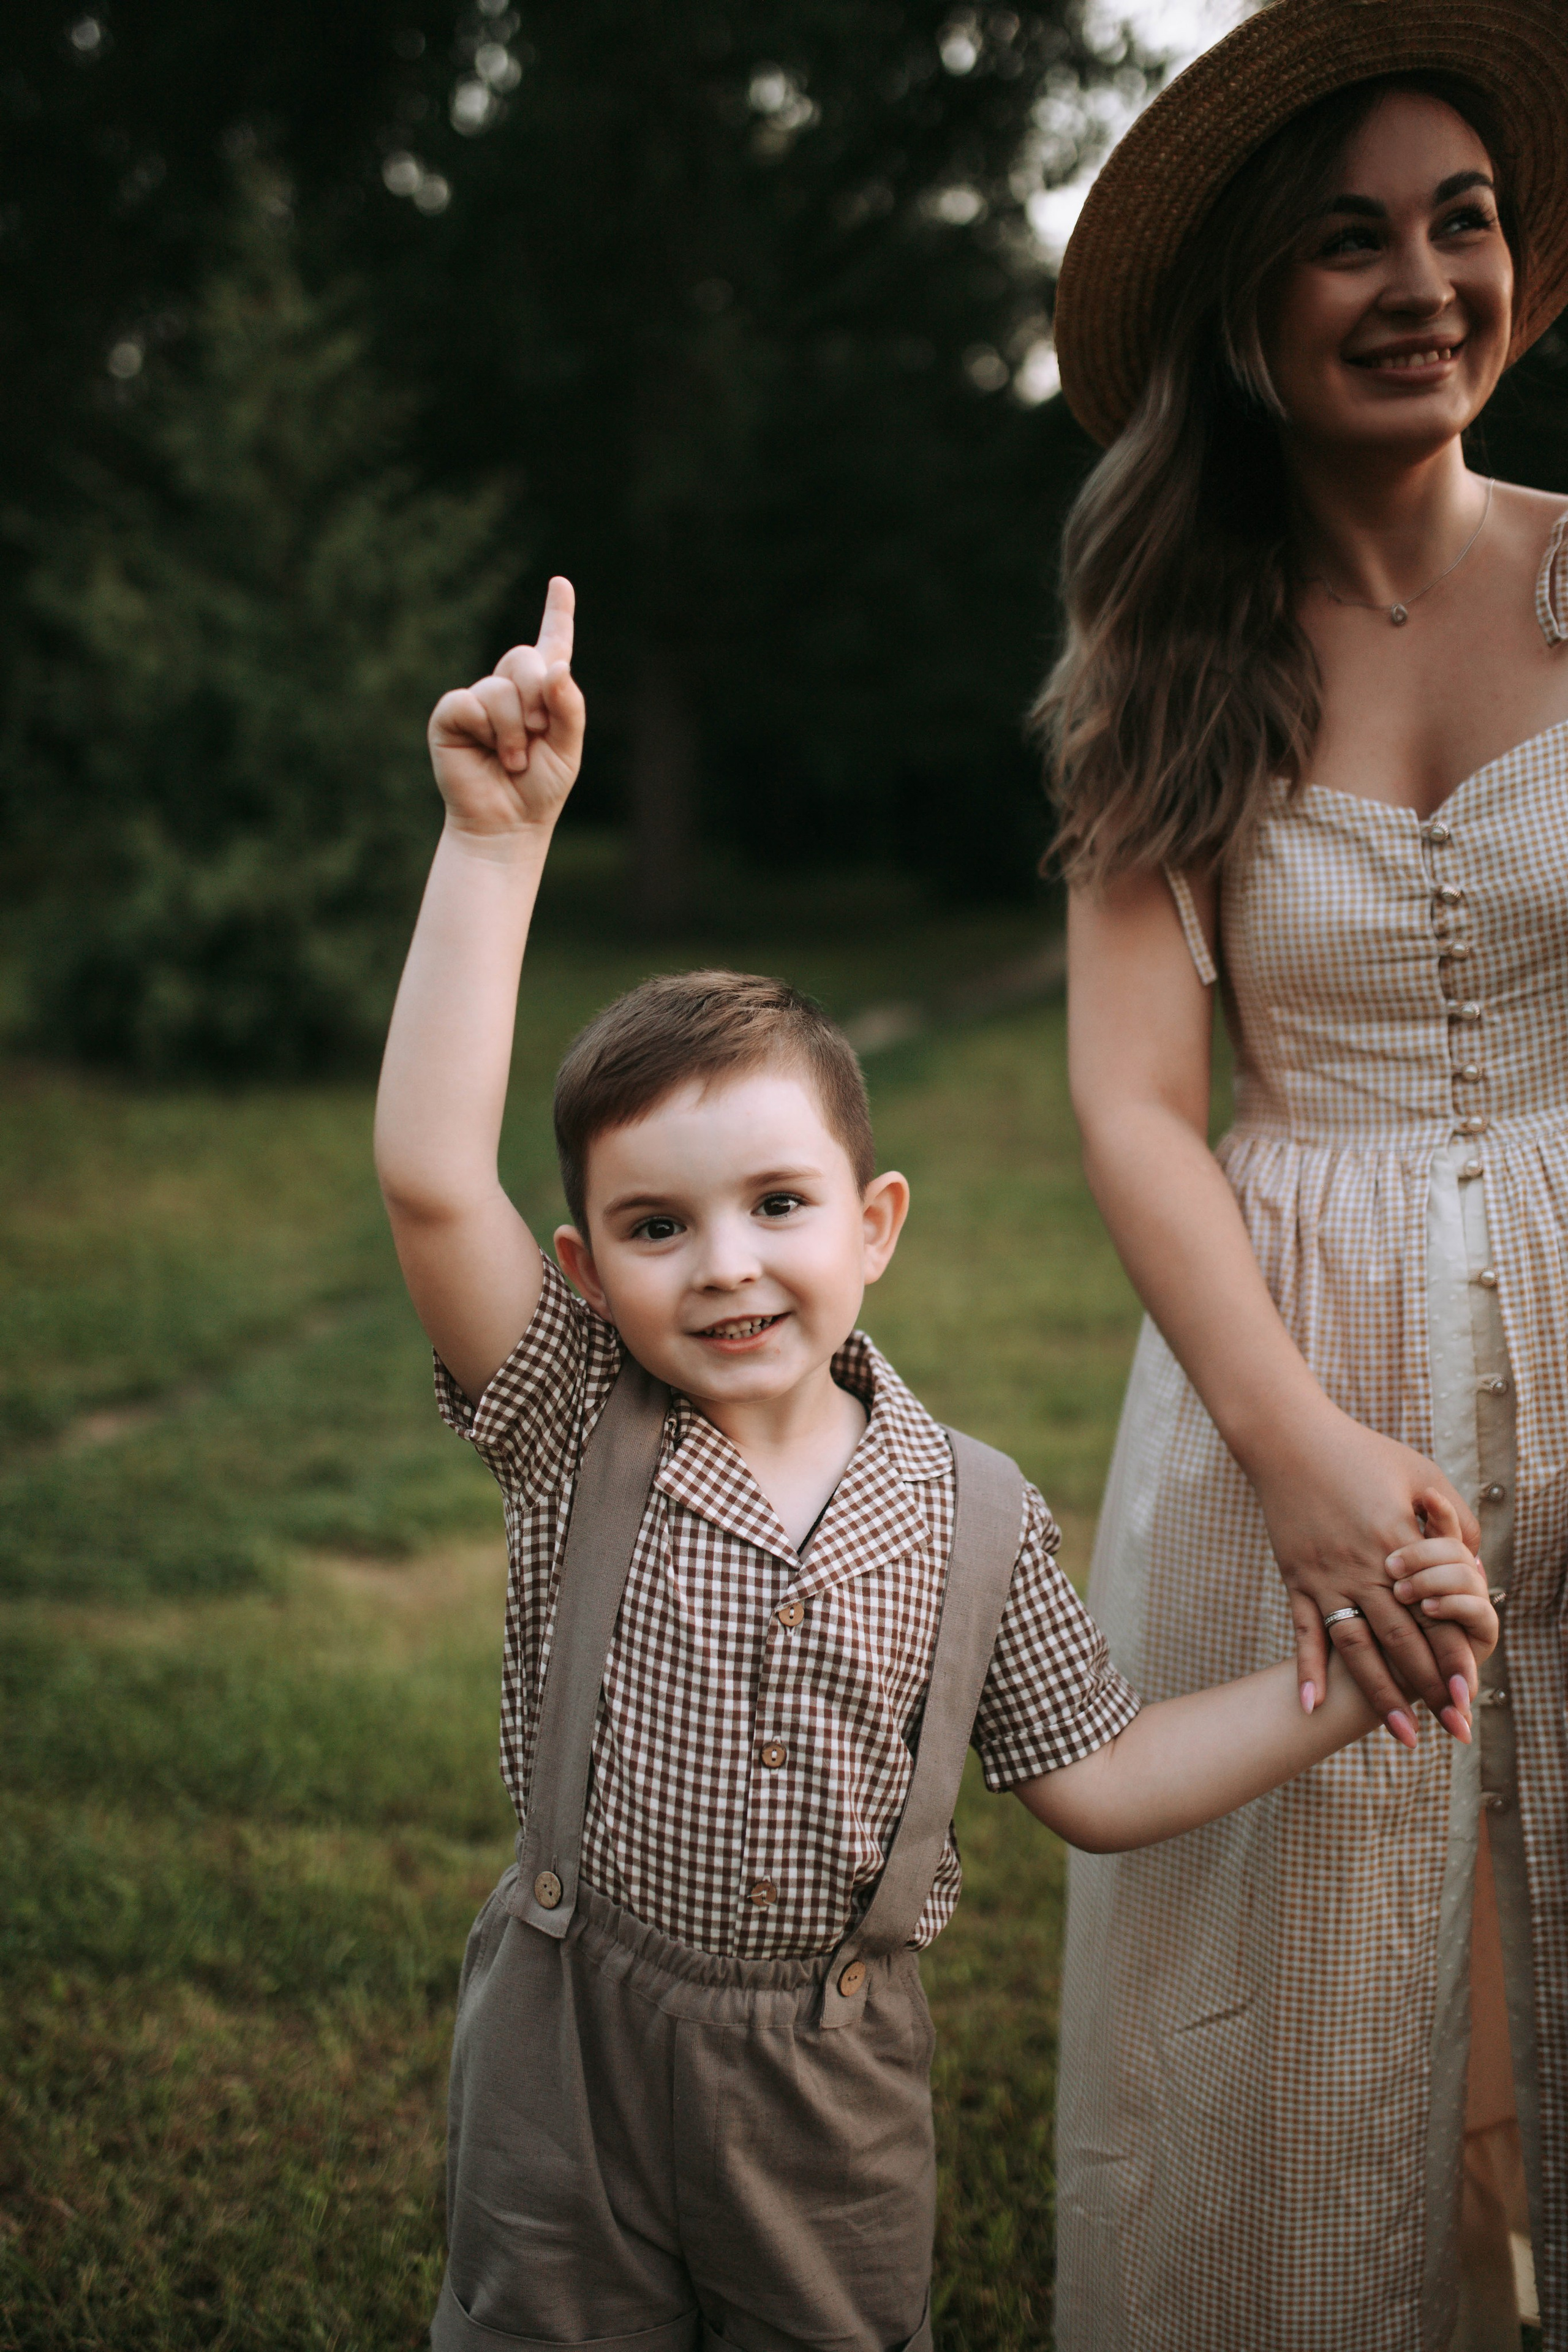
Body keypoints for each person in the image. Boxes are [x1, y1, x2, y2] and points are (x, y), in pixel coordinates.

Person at [372, 579, 1493, 2352]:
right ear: (584, 1272)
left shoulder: (968, 1511)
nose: (728, 1263)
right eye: (659, 1226)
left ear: (875, 1225)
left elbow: (1103, 1775)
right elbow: (437, 1177)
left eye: (778, 1206)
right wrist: (496, 846)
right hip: (569, 2040)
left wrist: (1353, 1688)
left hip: (830, 2075)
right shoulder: (570, 1413)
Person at [1041, 2, 1568, 2347]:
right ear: (1253, 310)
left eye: (1463, 221)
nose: (1424, 281)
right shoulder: (1167, 651)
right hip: (1301, 1379)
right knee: (1314, 2040)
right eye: (1350, 239)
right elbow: (1141, 1104)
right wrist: (1311, 1469)